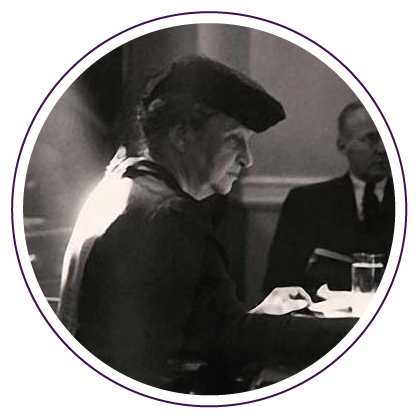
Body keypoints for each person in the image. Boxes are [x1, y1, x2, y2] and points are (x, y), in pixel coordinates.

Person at [58, 56, 356, 394]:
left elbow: (186, 328)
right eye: (234, 139)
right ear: (182, 135)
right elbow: (230, 344)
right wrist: (355, 330)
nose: (247, 159)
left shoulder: (119, 186)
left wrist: (256, 316)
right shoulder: (169, 213)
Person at [264, 100, 395, 296]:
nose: (384, 149)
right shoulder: (306, 203)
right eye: (371, 139)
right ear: (342, 146)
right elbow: (279, 285)